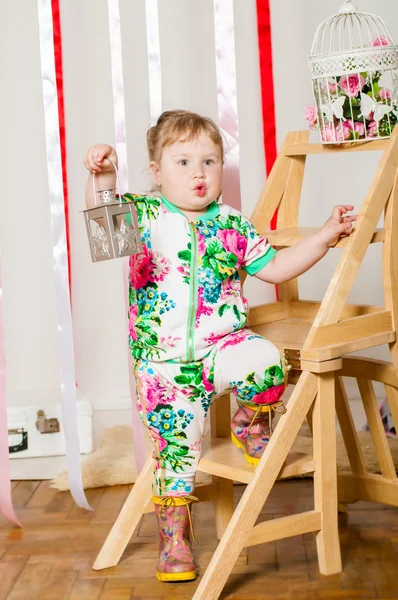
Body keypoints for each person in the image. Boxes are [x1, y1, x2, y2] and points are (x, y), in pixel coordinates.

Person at [84, 109, 356, 582]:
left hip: (221, 346)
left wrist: (325, 236)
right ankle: (176, 541)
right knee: (178, 455)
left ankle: (250, 424)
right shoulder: (143, 215)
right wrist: (104, 177)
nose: (199, 173)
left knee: (268, 360)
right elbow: (105, 237)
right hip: (164, 368)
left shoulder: (232, 224)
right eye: (184, 162)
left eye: (210, 162)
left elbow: (276, 267)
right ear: (156, 171)